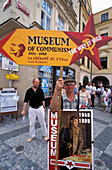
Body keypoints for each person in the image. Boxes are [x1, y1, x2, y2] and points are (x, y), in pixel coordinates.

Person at [21, 78, 48, 143]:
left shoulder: (40, 90)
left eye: (38, 83)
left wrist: (44, 107)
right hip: (32, 109)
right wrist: (23, 110)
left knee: (42, 122)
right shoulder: (28, 91)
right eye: (36, 83)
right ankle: (32, 136)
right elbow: (25, 101)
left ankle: (45, 135)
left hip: (40, 108)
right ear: (33, 83)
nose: (37, 84)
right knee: (31, 123)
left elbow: (43, 99)